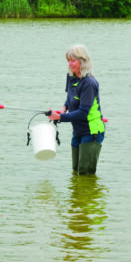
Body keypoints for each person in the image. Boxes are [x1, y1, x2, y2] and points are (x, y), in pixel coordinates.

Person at [48, 44, 105, 175]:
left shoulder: (89, 83)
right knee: (75, 171)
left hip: (92, 131)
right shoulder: (71, 76)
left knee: (85, 175)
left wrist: (60, 117)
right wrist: (64, 108)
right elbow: (70, 97)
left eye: (73, 60)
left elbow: (84, 112)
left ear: (83, 61)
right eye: (68, 60)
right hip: (78, 131)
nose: (70, 63)